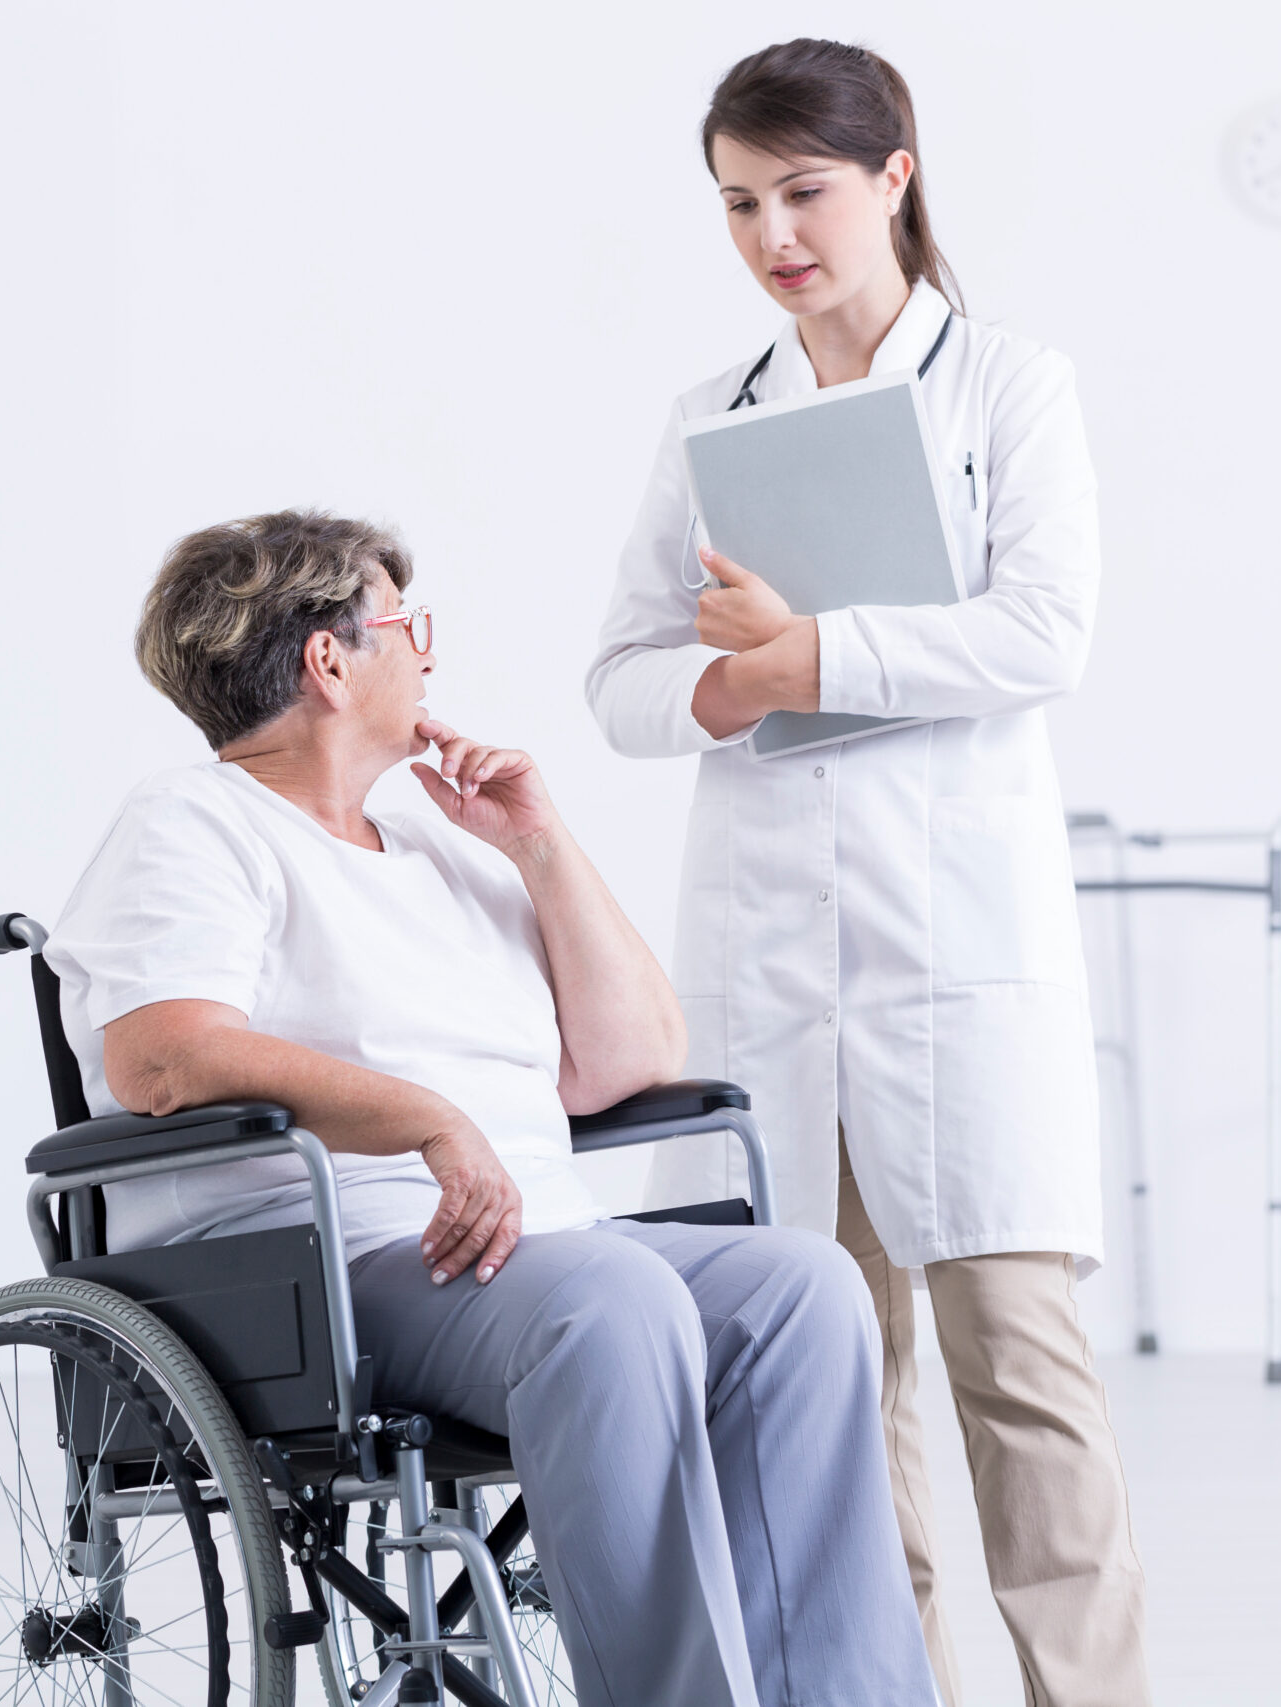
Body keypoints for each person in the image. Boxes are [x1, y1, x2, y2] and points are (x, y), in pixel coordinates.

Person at [47, 510, 938, 1706]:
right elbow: (164, 1056)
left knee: (802, 1287)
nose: (428, 655)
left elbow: (629, 1059)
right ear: (329, 659)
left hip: (524, 1247)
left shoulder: (437, 838)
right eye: (408, 627)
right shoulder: (193, 824)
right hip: (319, 1260)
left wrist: (541, 844)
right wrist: (426, 1119)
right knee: (611, 1301)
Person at [587, 39, 1147, 1707]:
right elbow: (618, 679)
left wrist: (807, 653)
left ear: (895, 172)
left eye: (803, 192)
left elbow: (1044, 634)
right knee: (832, 1396)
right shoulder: (712, 419)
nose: (775, 236)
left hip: (961, 966)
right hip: (772, 969)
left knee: (1023, 1381)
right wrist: (727, 688)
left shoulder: (1010, 386)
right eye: (740, 204)